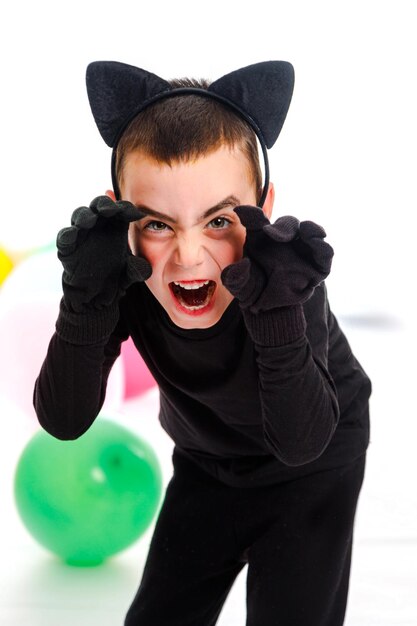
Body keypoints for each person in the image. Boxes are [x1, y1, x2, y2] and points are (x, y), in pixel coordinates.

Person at [34, 60, 372, 626]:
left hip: (314, 464)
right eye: (158, 224)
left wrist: (280, 315)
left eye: (219, 222)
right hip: (207, 464)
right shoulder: (125, 278)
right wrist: (84, 305)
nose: (189, 257)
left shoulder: (283, 282)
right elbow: (64, 419)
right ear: (121, 215)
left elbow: (301, 440)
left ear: (262, 209)